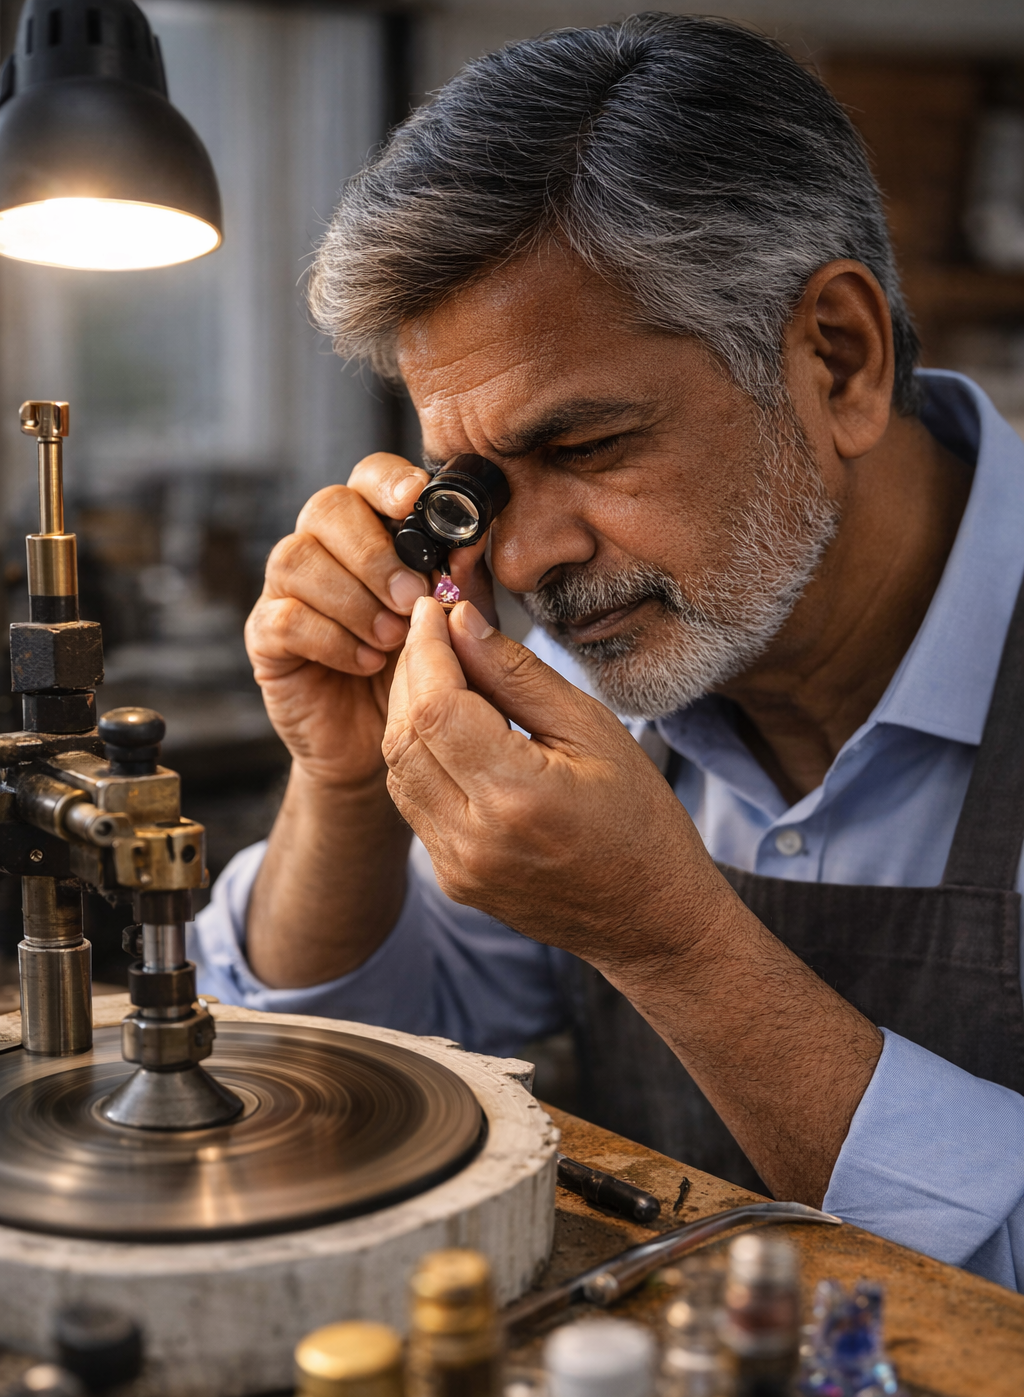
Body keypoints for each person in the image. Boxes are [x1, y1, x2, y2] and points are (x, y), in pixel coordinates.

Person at [194, 15, 1024, 1290]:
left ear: (840, 360)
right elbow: (324, 1088)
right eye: (481, 483)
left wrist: (670, 944)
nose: (522, 564)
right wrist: (346, 781)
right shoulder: (598, 671)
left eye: (584, 448)